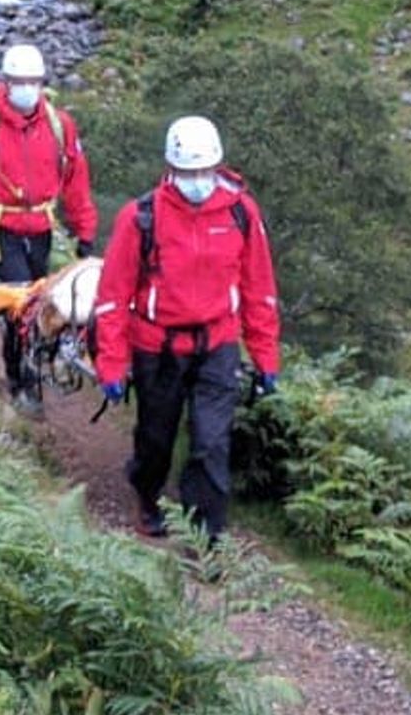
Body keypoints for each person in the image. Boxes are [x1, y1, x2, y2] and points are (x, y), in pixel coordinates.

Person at [92, 116, 281, 542]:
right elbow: (113, 297)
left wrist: (266, 356)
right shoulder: (141, 217)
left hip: (217, 344)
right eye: (187, 172)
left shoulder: (240, 213)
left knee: (211, 442)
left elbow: (259, 289)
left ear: (217, 166)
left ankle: (207, 536)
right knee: (155, 438)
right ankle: (148, 495)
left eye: (204, 171)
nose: (197, 181)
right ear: (170, 169)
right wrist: (112, 364)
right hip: (157, 346)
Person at [0, 43, 97, 409]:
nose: (26, 88)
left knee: (42, 303)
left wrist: (85, 230)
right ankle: (21, 380)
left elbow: (76, 181)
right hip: (1, 230)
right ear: (5, 82)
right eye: (19, 81)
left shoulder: (59, 126)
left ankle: (35, 364)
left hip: (41, 229)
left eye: (33, 81)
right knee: (20, 307)